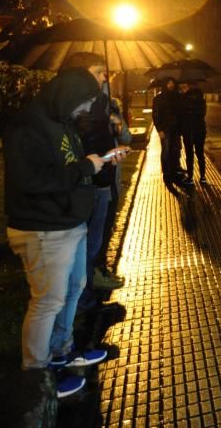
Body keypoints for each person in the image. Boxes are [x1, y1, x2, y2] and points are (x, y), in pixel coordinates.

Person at [3, 67, 119, 398]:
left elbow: (68, 164)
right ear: (67, 94)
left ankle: (61, 352)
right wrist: (86, 167)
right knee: (48, 301)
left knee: (71, 290)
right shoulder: (27, 126)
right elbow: (32, 181)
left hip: (68, 224)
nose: (84, 111)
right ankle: (35, 376)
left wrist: (100, 161)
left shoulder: (62, 122)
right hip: (43, 229)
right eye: (82, 103)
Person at [60, 53, 131, 313]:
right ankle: (82, 303)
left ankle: (87, 294)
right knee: (85, 248)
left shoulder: (104, 104)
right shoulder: (72, 108)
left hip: (103, 180)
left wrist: (114, 126)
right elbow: (79, 146)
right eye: (99, 72)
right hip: (87, 184)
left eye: (105, 73)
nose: (104, 77)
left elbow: (122, 136)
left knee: (95, 243)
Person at [152, 78, 182, 183]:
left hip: (176, 129)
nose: (171, 85)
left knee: (175, 151)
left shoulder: (177, 96)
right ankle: (167, 172)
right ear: (165, 84)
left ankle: (175, 170)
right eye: (169, 83)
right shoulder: (158, 99)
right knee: (166, 151)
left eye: (173, 82)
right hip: (165, 129)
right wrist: (159, 129)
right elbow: (155, 115)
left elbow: (180, 113)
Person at [178, 81, 208, 185]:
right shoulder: (201, 98)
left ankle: (191, 177)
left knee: (190, 154)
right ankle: (202, 176)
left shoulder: (184, 98)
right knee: (199, 153)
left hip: (189, 130)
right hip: (199, 129)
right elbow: (201, 113)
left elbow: (182, 113)